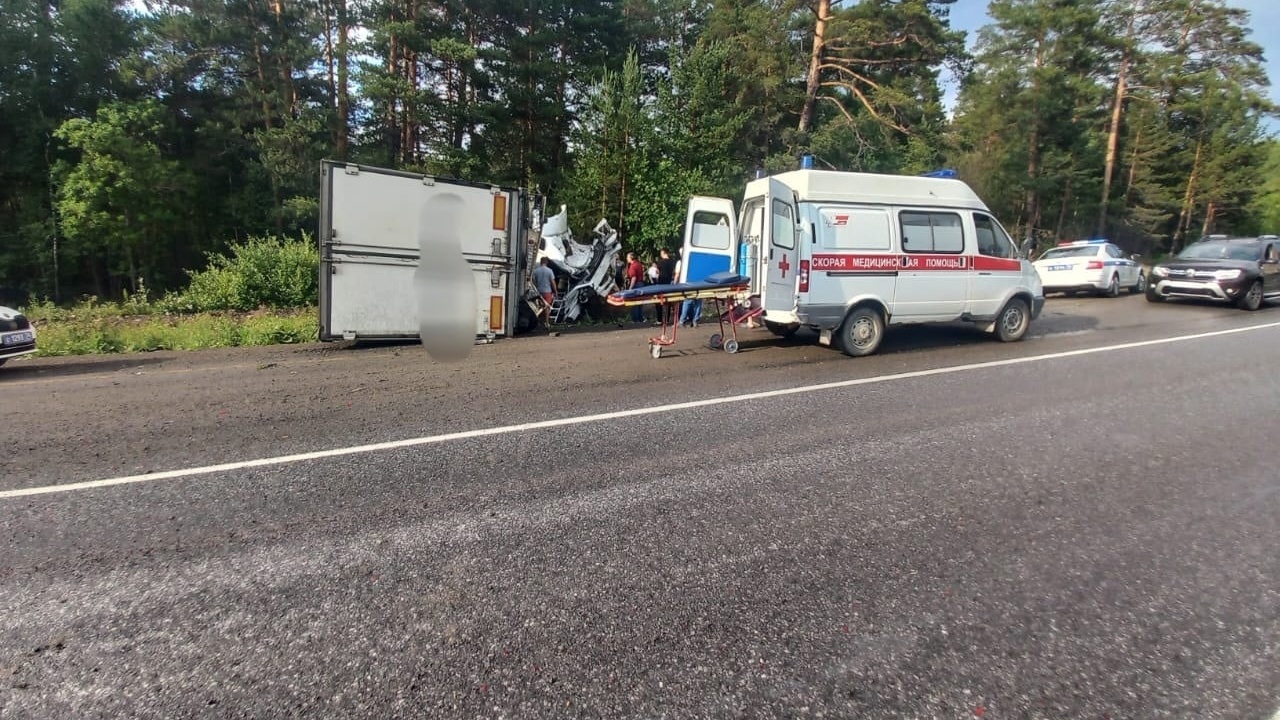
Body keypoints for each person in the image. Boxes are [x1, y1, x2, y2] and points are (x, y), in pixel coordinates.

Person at [531, 256, 556, 329]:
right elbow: (552, 282)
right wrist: (555, 291)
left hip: (539, 292)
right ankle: (547, 323)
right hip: (547, 292)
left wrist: (536, 287)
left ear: (541, 262)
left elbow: (533, 281)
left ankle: (538, 323)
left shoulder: (536, 271)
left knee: (539, 307)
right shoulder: (549, 271)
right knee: (547, 307)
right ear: (546, 262)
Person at [624, 252, 646, 323]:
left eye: (627, 257)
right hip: (641, 284)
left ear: (631, 258)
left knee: (634, 303)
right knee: (640, 302)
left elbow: (633, 277)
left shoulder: (633, 266)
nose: (627, 258)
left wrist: (630, 288)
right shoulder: (639, 264)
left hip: (636, 284)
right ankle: (640, 318)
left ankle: (635, 319)